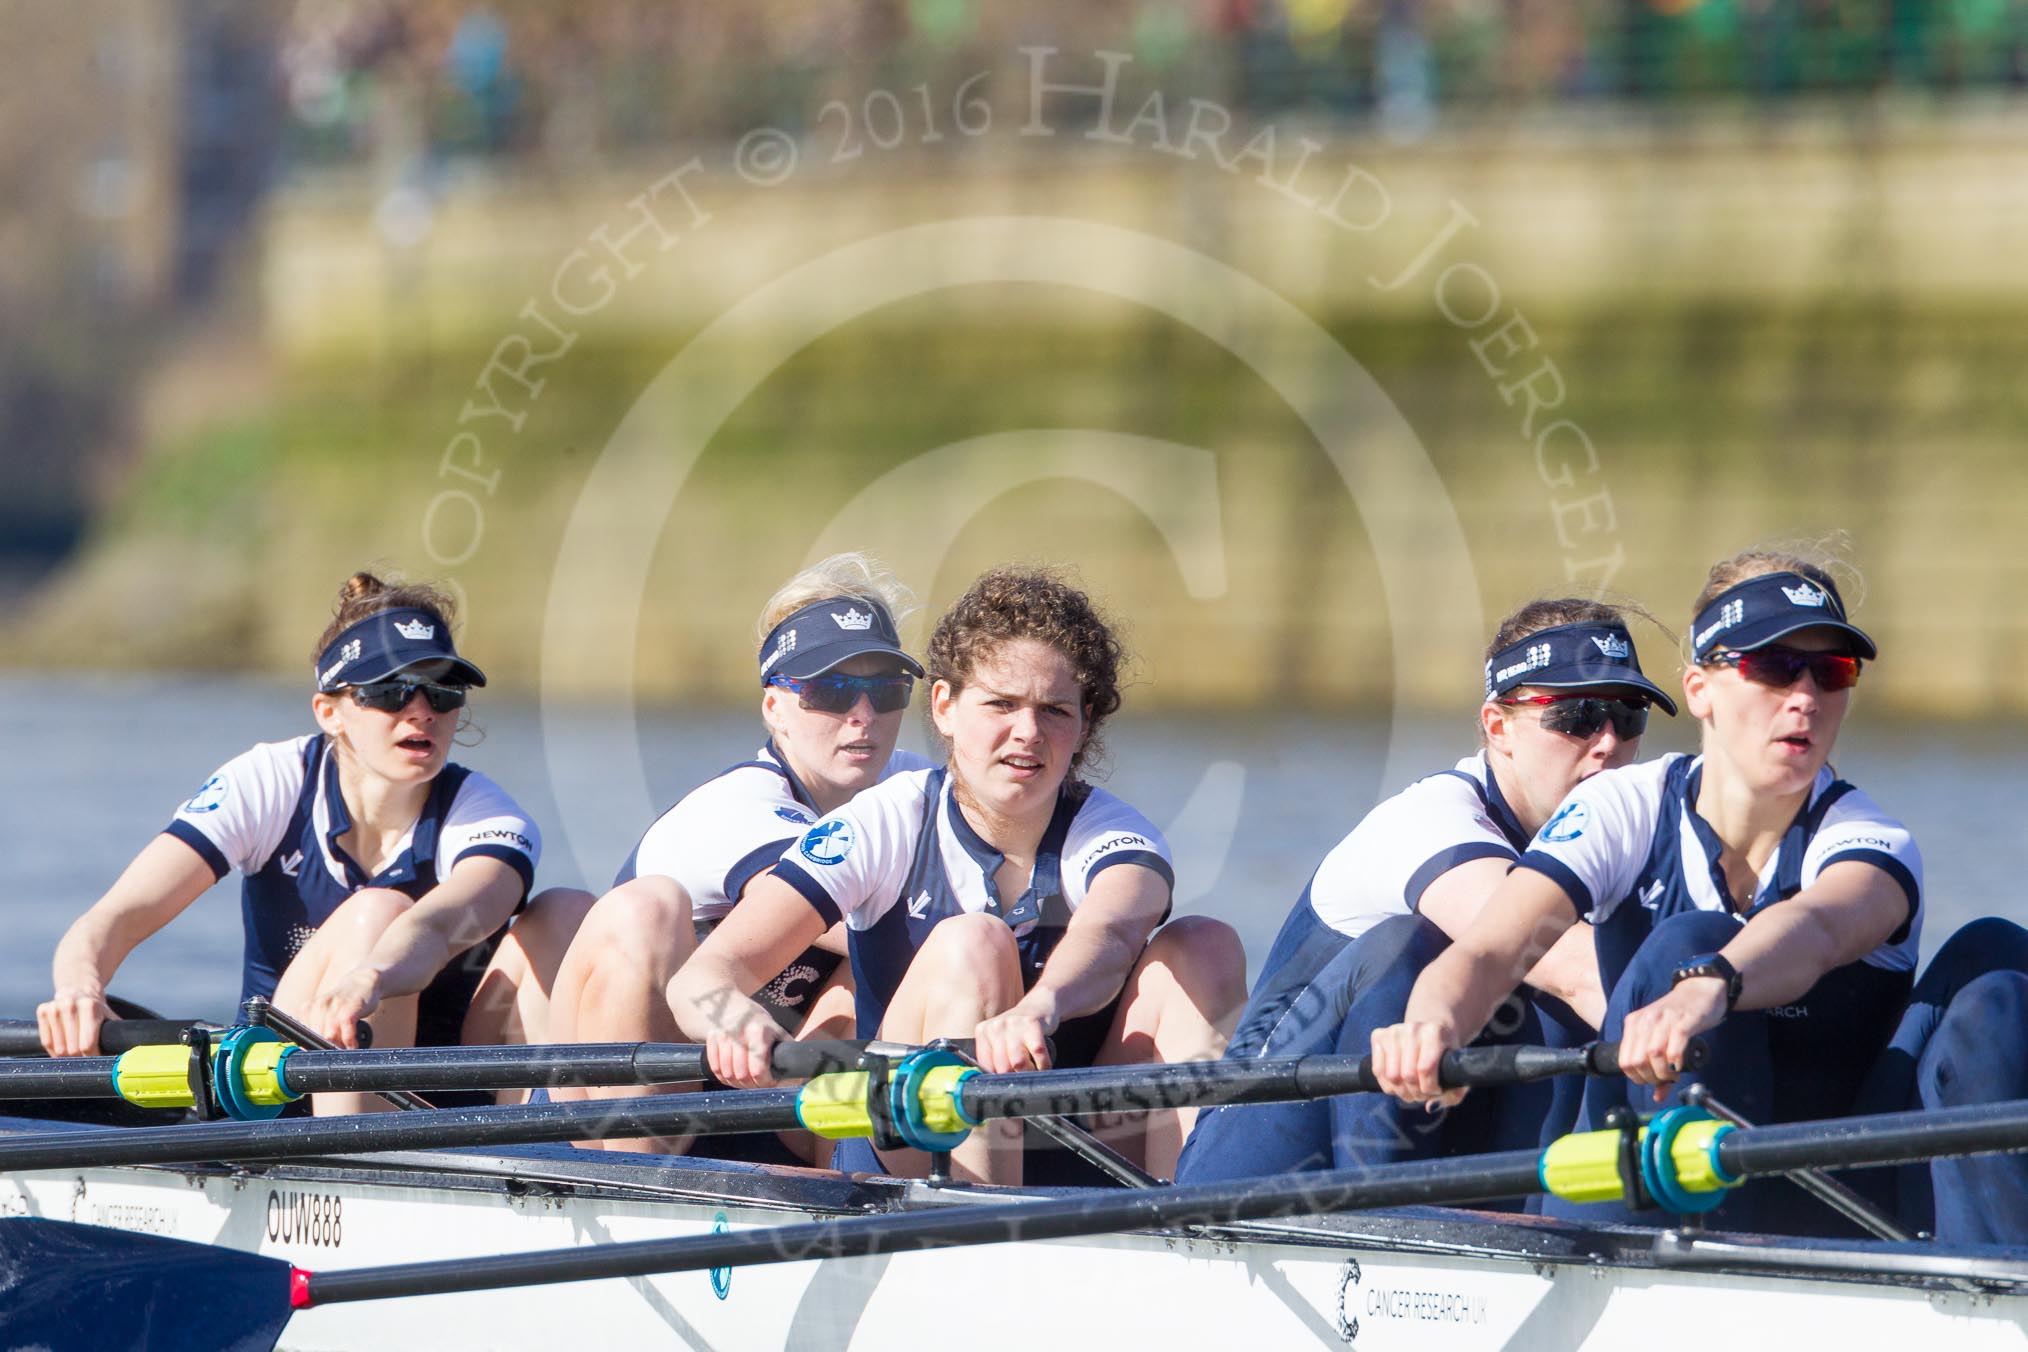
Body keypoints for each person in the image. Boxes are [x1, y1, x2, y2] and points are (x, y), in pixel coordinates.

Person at [1372, 548, 1932, 1233]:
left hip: (1831, 1214)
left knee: (1997, 962)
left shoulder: (1869, 839)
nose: (1806, 697)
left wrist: (1710, 985)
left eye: (1832, 671)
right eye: (1772, 666)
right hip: (1629, 1189)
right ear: (1698, 689)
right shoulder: (1623, 808)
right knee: (1680, 940)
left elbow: (1817, 929)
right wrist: (1431, 1024)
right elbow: (1492, 951)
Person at [668, 566, 1246, 1185]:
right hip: (901, 1147)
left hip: (1085, 1139)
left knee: (1204, 946)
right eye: (1001, 704)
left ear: (1083, 727)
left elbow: (1110, 933)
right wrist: (732, 1021)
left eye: (1054, 710)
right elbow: (702, 977)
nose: (1027, 731)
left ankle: (1193, 1225)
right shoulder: (884, 822)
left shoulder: (1112, 836)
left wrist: (1042, 1008)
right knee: (975, 942)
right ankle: (977, 1230)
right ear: (944, 707)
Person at [37, 572, 586, 1114]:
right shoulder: (268, 782)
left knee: (567, 915)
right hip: (286, 1085)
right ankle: (359, 1161)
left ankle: (536, 1146)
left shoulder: (486, 814)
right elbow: (118, 914)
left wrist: (371, 977)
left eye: (443, 689)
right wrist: (80, 990)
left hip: (438, 1094)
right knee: (375, 912)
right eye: (391, 690)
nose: (422, 710)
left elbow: (444, 926)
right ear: (330, 712)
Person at [1177, 598, 1676, 1184]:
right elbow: (1571, 967)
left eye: (1630, 715)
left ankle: (1533, 1223)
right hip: (1253, 1159)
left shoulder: (1620, 835)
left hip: (1442, 1131)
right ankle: (1399, 1230)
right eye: (1579, 717)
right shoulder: (1430, 819)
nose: (1609, 743)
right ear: (1499, 727)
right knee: (1445, 945)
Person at [544, 553, 933, 1155]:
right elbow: (853, 910)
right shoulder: (735, 807)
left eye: (886, 690)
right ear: (774, 709)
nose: (864, 716)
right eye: (831, 691)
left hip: (765, 1102)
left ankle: (850, 1186)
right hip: (604, 1117)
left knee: (869, 969)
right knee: (649, 906)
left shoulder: (912, 786)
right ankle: (641, 1188)